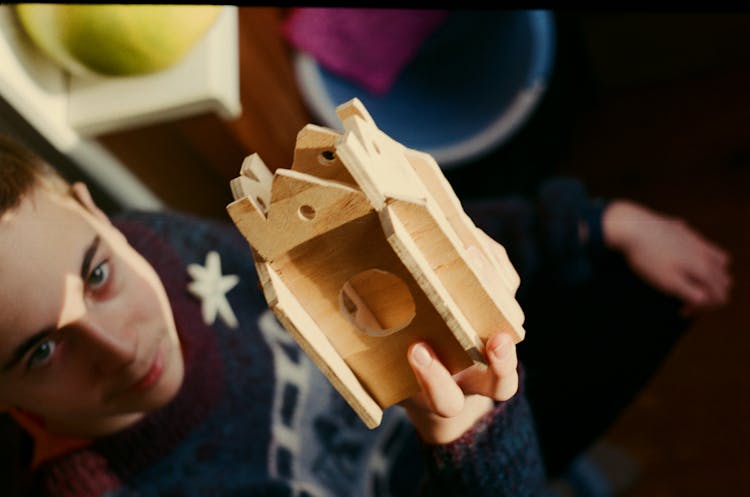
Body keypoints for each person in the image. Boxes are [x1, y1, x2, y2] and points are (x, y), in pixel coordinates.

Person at [0, 134, 730, 496]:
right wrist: (471, 442)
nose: (121, 346)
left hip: (440, 407)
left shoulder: (163, 243)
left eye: (96, 274)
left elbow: (391, 232)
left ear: (92, 207)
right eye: (40, 350)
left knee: (644, 286)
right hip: (449, 462)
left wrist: (589, 223)